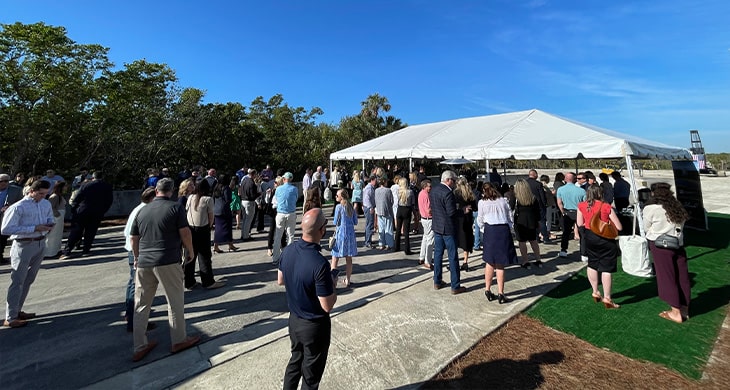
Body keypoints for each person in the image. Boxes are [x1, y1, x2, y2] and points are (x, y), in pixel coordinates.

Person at [130, 178, 200, 361]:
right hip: (167, 259)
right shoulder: (175, 208)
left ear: (156, 190)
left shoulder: (142, 210)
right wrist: (190, 251)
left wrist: (137, 257)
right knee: (175, 301)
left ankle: (139, 345)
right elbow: (185, 232)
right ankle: (179, 339)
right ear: (172, 191)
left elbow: (133, 237)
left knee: (141, 304)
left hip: (144, 261)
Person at [278, 208, 337, 389]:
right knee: (311, 376)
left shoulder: (288, 251)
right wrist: (332, 282)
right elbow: (327, 305)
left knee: (295, 362)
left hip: (294, 321)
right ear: (321, 231)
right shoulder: (319, 264)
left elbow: (280, 280)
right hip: (314, 326)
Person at [1, 179, 54, 328]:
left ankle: (17, 310)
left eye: (45, 193)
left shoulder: (45, 204)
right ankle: (10, 317)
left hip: (40, 243)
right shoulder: (18, 207)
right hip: (23, 245)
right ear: (31, 191)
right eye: (40, 193)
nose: (43, 196)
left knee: (29, 279)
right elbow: (5, 229)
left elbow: (50, 217)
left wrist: (50, 224)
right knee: (17, 281)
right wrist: (33, 228)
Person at [643, 183, 690, 323]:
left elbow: (646, 227)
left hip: (660, 245)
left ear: (654, 193)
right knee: (682, 277)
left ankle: (675, 312)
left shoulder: (651, 208)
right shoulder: (677, 207)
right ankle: (684, 309)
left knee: (667, 277)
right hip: (678, 244)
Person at [576, 185, 623, 309]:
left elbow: (580, 223)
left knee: (592, 263)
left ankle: (595, 291)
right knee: (606, 268)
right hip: (605, 238)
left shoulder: (581, 206)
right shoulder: (606, 206)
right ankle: (607, 297)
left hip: (589, 237)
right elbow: (619, 227)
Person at [477, 182, 518, 304]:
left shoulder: (482, 203)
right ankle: (501, 293)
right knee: (500, 264)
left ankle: (487, 289)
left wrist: (484, 229)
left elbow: (480, 219)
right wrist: (509, 227)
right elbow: (510, 216)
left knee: (490, 261)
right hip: (503, 230)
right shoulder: (503, 200)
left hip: (490, 230)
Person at [123, 187, 156, 332]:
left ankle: (130, 315)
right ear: (152, 199)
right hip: (137, 252)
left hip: (134, 251)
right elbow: (132, 236)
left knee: (133, 284)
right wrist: (137, 256)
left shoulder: (138, 209)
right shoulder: (144, 212)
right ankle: (135, 321)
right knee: (138, 287)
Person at [60, 171, 113, 259]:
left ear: (93, 177)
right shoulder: (107, 186)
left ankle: (67, 251)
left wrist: (74, 208)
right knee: (91, 231)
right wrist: (103, 210)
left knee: (76, 230)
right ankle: (86, 250)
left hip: (83, 210)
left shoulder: (86, 185)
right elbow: (109, 201)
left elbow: (78, 197)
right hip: (97, 212)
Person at [430, 170, 466, 294]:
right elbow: (451, 213)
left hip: (437, 226)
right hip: (448, 228)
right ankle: (455, 285)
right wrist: (462, 210)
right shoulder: (448, 193)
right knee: (452, 256)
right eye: (454, 180)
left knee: (438, 255)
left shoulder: (434, 190)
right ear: (448, 180)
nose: (455, 183)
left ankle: (437, 280)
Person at [185, 179, 226, 290]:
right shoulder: (208, 199)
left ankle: (189, 281)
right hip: (202, 229)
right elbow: (211, 217)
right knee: (204, 257)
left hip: (190, 228)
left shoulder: (190, 198)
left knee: (191, 255)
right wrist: (208, 227)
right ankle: (208, 281)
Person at [330, 189, 358, 287]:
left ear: (341, 197)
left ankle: (333, 281)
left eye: (337, 196)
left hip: (340, 234)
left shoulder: (339, 207)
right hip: (350, 234)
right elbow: (355, 221)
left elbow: (335, 222)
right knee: (348, 258)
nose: (336, 197)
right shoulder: (351, 207)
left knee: (335, 258)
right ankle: (348, 280)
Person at [513, 179, 542, 269]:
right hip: (532, 220)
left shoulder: (516, 198)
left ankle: (525, 261)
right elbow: (537, 211)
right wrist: (538, 221)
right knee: (533, 240)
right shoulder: (533, 198)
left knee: (522, 242)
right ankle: (538, 259)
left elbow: (511, 208)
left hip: (520, 221)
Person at [556, 172, 586, 258]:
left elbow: (559, 203)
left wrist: (563, 212)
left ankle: (563, 250)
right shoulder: (581, 191)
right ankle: (583, 253)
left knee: (566, 232)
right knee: (582, 233)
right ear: (575, 180)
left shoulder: (560, 189)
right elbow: (585, 203)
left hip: (567, 212)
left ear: (565, 179)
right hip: (579, 212)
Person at [272, 172, 299, 265]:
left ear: (284, 179)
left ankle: (275, 258)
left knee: (278, 236)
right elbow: (295, 199)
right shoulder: (294, 189)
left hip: (280, 213)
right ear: (291, 179)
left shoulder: (278, 189)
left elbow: (276, 199)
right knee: (290, 236)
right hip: (291, 213)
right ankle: (289, 257)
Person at [0, 173, 24, 264]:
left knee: (2, 238)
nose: (4, 183)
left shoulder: (16, 190)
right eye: (1, 181)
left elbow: (21, 203)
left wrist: (11, 207)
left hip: (6, 218)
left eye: (6, 181)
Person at [454, 177, 476, 272]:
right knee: (466, 239)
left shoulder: (456, 193)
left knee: (456, 240)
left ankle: (455, 262)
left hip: (459, 218)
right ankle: (465, 261)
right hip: (468, 219)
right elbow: (475, 207)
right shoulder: (470, 194)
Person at [212, 175, 238, 253]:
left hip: (216, 209)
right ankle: (230, 244)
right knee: (228, 228)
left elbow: (213, 198)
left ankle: (217, 245)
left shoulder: (216, 187)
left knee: (218, 229)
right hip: (225, 210)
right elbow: (228, 199)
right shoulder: (226, 188)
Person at [44, 181, 67, 258]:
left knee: (58, 235)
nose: (66, 188)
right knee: (53, 235)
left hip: (60, 217)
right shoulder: (54, 196)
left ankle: (56, 250)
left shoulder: (60, 196)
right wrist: (57, 214)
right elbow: (50, 207)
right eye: (65, 186)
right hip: (56, 217)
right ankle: (49, 252)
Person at [394, 177, 415, 255]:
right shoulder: (410, 192)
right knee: (406, 231)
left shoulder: (398, 191)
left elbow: (396, 202)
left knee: (398, 229)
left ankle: (396, 246)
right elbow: (412, 203)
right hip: (407, 209)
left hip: (400, 209)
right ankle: (407, 249)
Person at [374, 177, 394, 250]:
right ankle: (389, 244)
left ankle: (381, 243)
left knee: (381, 228)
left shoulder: (376, 190)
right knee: (388, 228)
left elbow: (375, 200)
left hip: (379, 210)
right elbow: (391, 201)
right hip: (387, 210)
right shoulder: (388, 190)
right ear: (385, 182)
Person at [239, 169, 259, 241]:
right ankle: (246, 236)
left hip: (243, 200)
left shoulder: (244, 181)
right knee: (248, 219)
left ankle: (243, 234)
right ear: (253, 174)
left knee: (244, 219)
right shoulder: (252, 183)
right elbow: (253, 195)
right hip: (249, 202)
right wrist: (259, 194)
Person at [362, 175, 377, 249]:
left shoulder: (370, 188)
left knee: (369, 224)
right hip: (368, 208)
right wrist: (371, 207)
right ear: (372, 180)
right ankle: (368, 242)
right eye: (375, 180)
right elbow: (367, 199)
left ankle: (368, 239)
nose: (376, 182)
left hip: (367, 207)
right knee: (370, 225)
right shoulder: (369, 188)